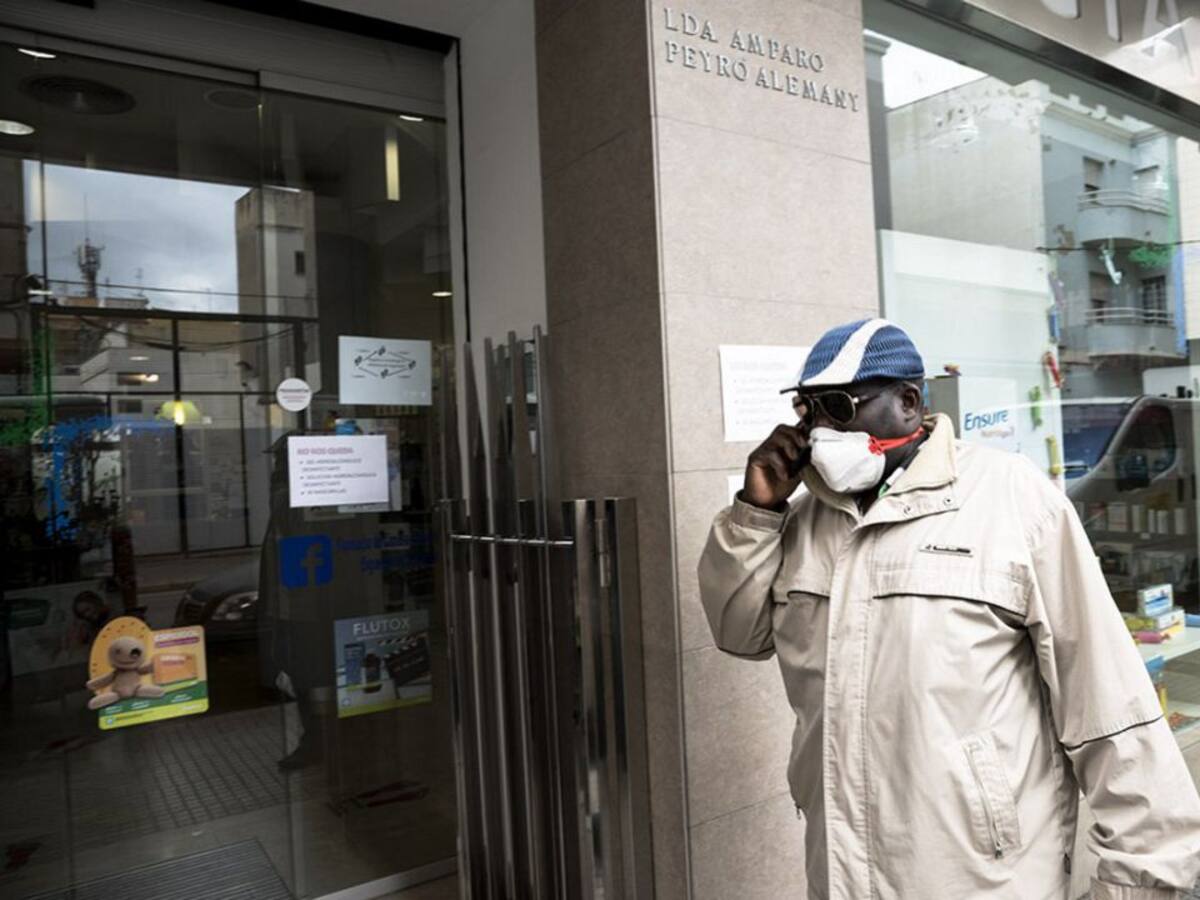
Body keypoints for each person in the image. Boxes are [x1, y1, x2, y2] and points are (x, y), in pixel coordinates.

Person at [697, 318, 1200, 899]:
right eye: (807, 411)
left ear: (908, 403)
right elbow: (740, 632)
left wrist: (1145, 879)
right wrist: (755, 511)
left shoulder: (1010, 498)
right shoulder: (804, 519)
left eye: (836, 407)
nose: (815, 431)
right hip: (843, 876)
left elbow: (1107, 701)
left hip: (983, 879)